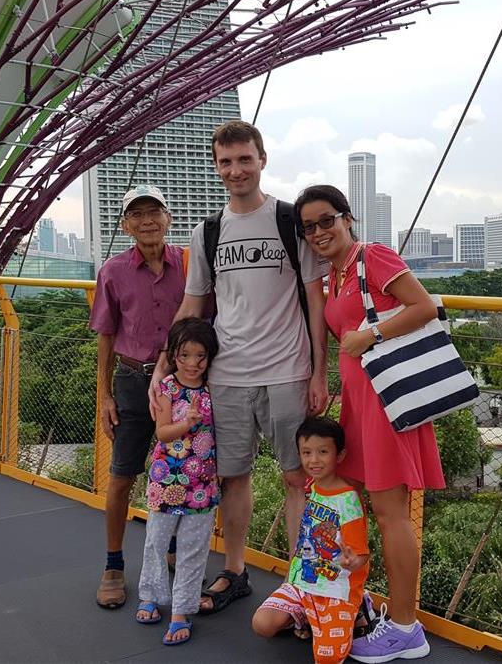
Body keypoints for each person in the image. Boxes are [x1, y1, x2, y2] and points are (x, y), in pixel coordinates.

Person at [149, 120, 329, 614]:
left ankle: (301, 582)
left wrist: (318, 372)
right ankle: (234, 570)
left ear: (262, 160)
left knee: (297, 477)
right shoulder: (207, 231)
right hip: (226, 375)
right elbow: (193, 302)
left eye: (244, 159)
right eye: (226, 162)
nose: (236, 170)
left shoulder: (290, 222)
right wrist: (163, 365)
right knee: (232, 476)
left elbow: (315, 300)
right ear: (217, 167)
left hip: (287, 370)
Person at [295, 184, 444, 662]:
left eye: (326, 220)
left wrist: (371, 333)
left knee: (390, 513)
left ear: (347, 217)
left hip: (386, 403)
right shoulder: (331, 276)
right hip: (359, 404)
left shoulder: (371, 256)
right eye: (309, 226)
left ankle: (405, 627)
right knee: (358, 508)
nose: (319, 231)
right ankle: (377, 611)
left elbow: (423, 307)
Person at [90, 184, 185, 610]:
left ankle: (174, 551)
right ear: (125, 225)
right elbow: (106, 336)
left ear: (168, 218)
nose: (147, 221)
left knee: (184, 471)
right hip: (132, 381)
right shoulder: (113, 271)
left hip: (182, 384)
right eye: (137, 215)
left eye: (155, 212)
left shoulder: (188, 262)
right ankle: (113, 564)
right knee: (123, 475)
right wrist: (105, 395)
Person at [252, 417, 370, 664]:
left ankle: (358, 607)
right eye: (307, 453)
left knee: (327, 658)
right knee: (262, 625)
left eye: (323, 452)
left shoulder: (347, 501)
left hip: (334, 588)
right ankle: (307, 616)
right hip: (302, 581)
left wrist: (352, 562)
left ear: (340, 455)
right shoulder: (312, 486)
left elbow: (361, 555)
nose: (313, 460)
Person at [135, 318, 221, 646]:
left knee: (193, 549)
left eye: (201, 356)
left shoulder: (215, 388)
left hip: (203, 482)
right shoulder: (168, 386)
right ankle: (151, 595)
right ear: (174, 355)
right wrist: (188, 422)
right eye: (185, 355)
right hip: (166, 477)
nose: (193, 363)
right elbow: (162, 432)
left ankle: (181, 611)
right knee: (156, 541)